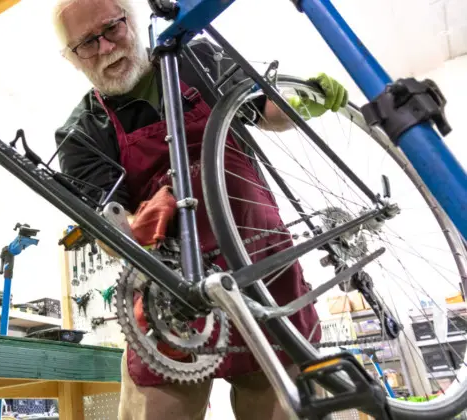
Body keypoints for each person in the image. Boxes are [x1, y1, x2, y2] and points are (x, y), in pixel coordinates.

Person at [52, 0, 349, 418]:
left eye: (112, 29)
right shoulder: (81, 133)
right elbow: (109, 230)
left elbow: (262, 108)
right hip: (170, 288)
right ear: (71, 58)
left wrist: (300, 102)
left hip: (261, 260)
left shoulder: (196, 58)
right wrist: (139, 225)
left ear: (132, 23)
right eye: (86, 43)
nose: (105, 49)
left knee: (282, 405)